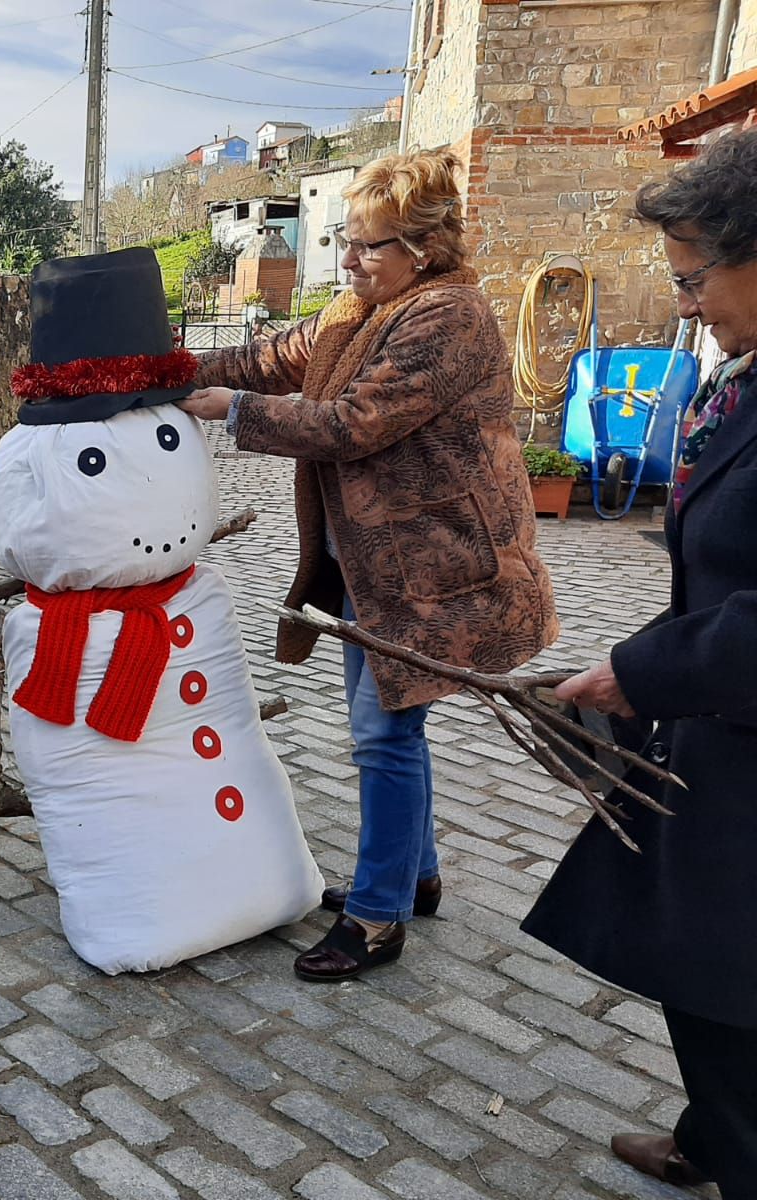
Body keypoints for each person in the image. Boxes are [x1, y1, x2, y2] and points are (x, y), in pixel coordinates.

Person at [179, 148, 558, 982]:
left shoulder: (447, 318)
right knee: (393, 722)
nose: (348, 261)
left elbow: (354, 422)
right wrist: (167, 372)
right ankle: (412, 877)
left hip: (438, 569)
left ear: (422, 249)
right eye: (347, 242)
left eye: (366, 245)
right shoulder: (360, 311)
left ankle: (379, 916)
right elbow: (270, 356)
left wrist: (235, 412)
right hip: (374, 565)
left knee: (383, 732)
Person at [523, 129, 757, 1197]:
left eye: (694, 278)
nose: (685, 304)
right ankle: (711, 1136)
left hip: (741, 742)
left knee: (725, 983)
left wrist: (640, 676)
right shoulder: (742, 376)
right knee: (701, 971)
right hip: (716, 728)